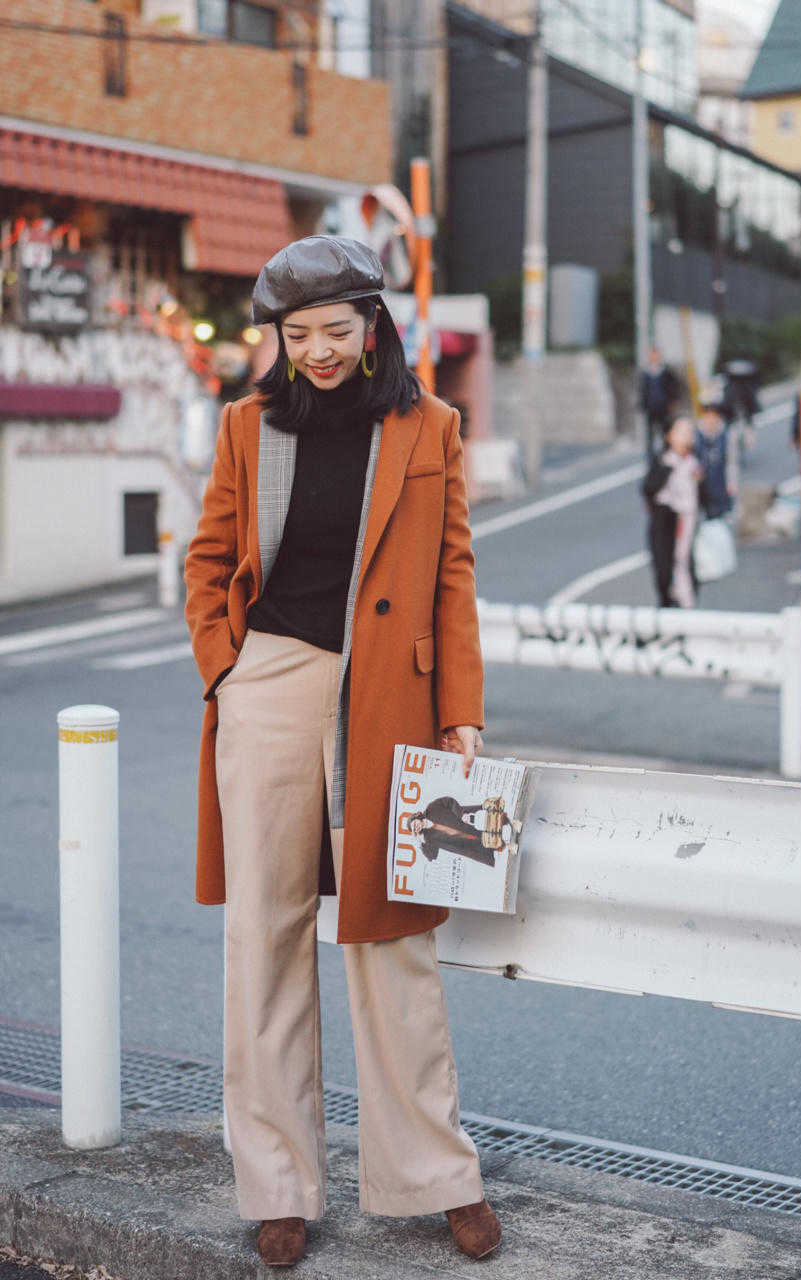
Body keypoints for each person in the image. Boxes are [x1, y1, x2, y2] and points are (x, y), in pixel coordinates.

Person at [183, 234, 501, 1268]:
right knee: (265, 937)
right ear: (275, 337)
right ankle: (277, 1183)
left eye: (335, 330)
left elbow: (452, 574)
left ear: (374, 327)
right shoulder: (247, 425)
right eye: (297, 333)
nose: (316, 351)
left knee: (392, 937)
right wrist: (224, 667)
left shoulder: (428, 425)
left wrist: (461, 712)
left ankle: (438, 1174)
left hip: (390, 694)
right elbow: (209, 555)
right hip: (270, 682)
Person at [641, 416, 704, 608]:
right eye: (682, 432)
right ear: (670, 436)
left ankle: (687, 602)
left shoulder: (695, 464)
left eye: (690, 432)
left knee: (687, 563)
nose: (687, 437)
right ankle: (669, 605)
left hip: (689, 520)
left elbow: (705, 494)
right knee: (665, 567)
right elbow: (648, 489)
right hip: (665, 522)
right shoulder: (663, 462)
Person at [410, 796, 520, 865]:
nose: (417, 827)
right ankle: (509, 846)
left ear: (417, 817)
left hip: (464, 820)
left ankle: (512, 823)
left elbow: (449, 802)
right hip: (463, 842)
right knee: (487, 842)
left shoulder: (432, 808)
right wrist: (420, 842)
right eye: (414, 829)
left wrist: (461, 814)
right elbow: (432, 856)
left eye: (415, 824)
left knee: (491, 821)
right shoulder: (427, 837)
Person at [696, 391, 735, 521]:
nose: (711, 420)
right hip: (704, 484)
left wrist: (732, 482)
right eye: (707, 415)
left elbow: (731, 461)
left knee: (724, 515)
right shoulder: (697, 435)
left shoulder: (726, 434)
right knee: (707, 516)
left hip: (721, 481)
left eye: (714, 415)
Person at [638, 345, 683, 453]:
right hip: (650, 408)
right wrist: (642, 404)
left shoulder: (666, 372)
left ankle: (667, 455)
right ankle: (651, 459)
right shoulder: (645, 373)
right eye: (652, 355)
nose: (654, 357)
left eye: (656, 354)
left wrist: (673, 401)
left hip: (664, 407)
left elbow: (675, 387)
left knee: (666, 434)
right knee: (650, 437)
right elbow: (642, 390)